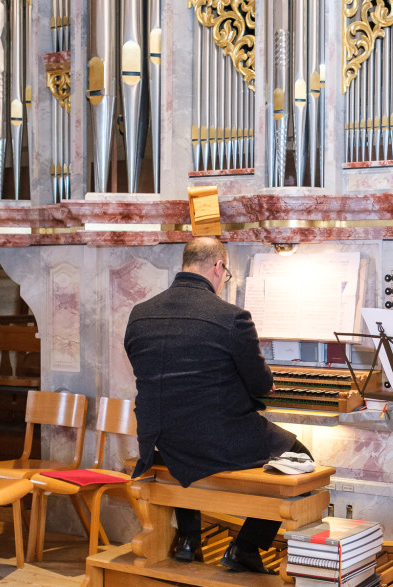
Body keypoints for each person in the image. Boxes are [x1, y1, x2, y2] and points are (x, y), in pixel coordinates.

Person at [125, 236, 309, 574]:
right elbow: (260, 385)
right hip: (214, 442)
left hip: (158, 442)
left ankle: (188, 540)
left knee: (184, 433)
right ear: (218, 267)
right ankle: (245, 547)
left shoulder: (139, 314)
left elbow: (165, 380)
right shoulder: (232, 318)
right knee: (298, 454)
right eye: (226, 275)